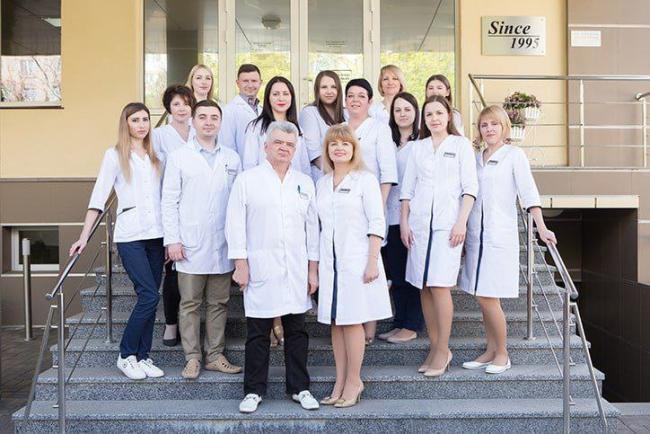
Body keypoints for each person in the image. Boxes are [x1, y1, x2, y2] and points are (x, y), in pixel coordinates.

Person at [226, 121, 320, 414]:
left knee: (297, 331)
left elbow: (312, 229)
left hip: (296, 267)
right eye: (278, 142)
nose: (284, 148)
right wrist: (240, 263)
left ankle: (299, 388)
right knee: (258, 332)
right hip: (260, 266)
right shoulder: (248, 180)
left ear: (296, 149)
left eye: (290, 145)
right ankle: (253, 390)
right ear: (266, 146)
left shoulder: (304, 183)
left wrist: (312, 269)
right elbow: (235, 223)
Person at [70, 102, 165, 380]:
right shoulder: (114, 156)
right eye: (135, 120)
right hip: (130, 236)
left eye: (145, 119)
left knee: (151, 296)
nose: (141, 125)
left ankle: (143, 356)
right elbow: (98, 197)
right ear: (126, 124)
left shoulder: (157, 155)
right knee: (148, 295)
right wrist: (84, 236)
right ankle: (126, 354)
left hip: (157, 235)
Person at [459, 105, 556, 374]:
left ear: (504, 128)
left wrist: (541, 227)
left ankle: (503, 353)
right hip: (476, 237)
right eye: (484, 125)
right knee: (482, 298)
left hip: (499, 237)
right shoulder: (476, 157)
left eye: (494, 124)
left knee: (489, 297)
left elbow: (528, 193)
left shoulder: (514, 155)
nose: (489, 129)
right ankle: (490, 350)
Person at [162, 99, 243, 379]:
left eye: (214, 117)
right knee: (190, 304)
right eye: (203, 117)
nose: (209, 122)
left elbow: (238, 203)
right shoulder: (179, 157)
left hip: (222, 243)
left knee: (219, 303)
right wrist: (172, 240)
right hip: (189, 244)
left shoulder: (232, 158)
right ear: (193, 121)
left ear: (220, 122)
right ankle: (192, 358)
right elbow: (169, 201)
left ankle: (215, 356)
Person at [400, 95, 478, 378]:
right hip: (419, 227)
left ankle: (444, 350)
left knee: (440, 286)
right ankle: (434, 348)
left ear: (449, 116)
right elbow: (407, 189)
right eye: (429, 114)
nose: (434, 118)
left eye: (439, 113)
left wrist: (461, 223)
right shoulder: (417, 148)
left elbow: (470, 189)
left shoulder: (460, 145)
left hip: (448, 228)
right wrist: (405, 223)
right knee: (424, 286)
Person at [316, 125, 392, 408]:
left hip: (358, 261)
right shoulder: (322, 183)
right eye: (333, 144)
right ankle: (339, 381)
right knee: (336, 323)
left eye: (345, 144)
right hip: (331, 264)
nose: (339, 148)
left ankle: (354, 380)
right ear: (327, 150)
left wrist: (372, 260)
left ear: (354, 149)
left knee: (352, 321)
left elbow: (377, 222)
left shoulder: (365, 180)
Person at [345, 78, 398, 344]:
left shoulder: (379, 128)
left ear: (370, 101)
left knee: (371, 262)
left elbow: (387, 172)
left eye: (360, 96)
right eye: (351, 96)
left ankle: (370, 324)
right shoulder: (339, 129)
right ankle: (350, 318)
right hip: (345, 208)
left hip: (372, 206)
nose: (355, 100)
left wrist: (379, 206)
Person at [151, 84, 196, 347]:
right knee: (173, 271)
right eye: (176, 104)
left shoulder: (199, 131)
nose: (182, 108)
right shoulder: (159, 135)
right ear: (168, 107)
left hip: (194, 210)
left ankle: (192, 327)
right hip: (169, 209)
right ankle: (171, 324)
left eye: (186, 103)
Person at [378, 92, 424, 344]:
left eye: (407, 109)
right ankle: (399, 322)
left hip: (411, 218)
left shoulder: (422, 143)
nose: (403, 114)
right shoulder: (388, 141)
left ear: (416, 112)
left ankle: (411, 325)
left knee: (410, 274)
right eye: (397, 110)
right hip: (389, 216)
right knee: (396, 274)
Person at [242, 76, 310, 175]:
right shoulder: (255, 127)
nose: (281, 98)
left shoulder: (298, 129)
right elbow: (249, 165)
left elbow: (304, 166)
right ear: (268, 98)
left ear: (291, 97)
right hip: (263, 182)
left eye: (285, 94)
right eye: (275, 94)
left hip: (293, 182)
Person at [299, 70, 346, 181]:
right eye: (324, 87)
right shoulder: (309, 112)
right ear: (317, 90)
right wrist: (336, 176)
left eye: (333, 87)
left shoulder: (346, 113)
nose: (329, 91)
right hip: (323, 176)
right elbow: (314, 153)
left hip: (345, 176)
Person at [219, 64, 263, 159]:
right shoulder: (228, 111)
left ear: (260, 83)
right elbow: (227, 145)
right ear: (238, 83)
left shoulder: (263, 110)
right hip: (240, 165)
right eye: (245, 81)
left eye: (254, 81)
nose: (250, 85)